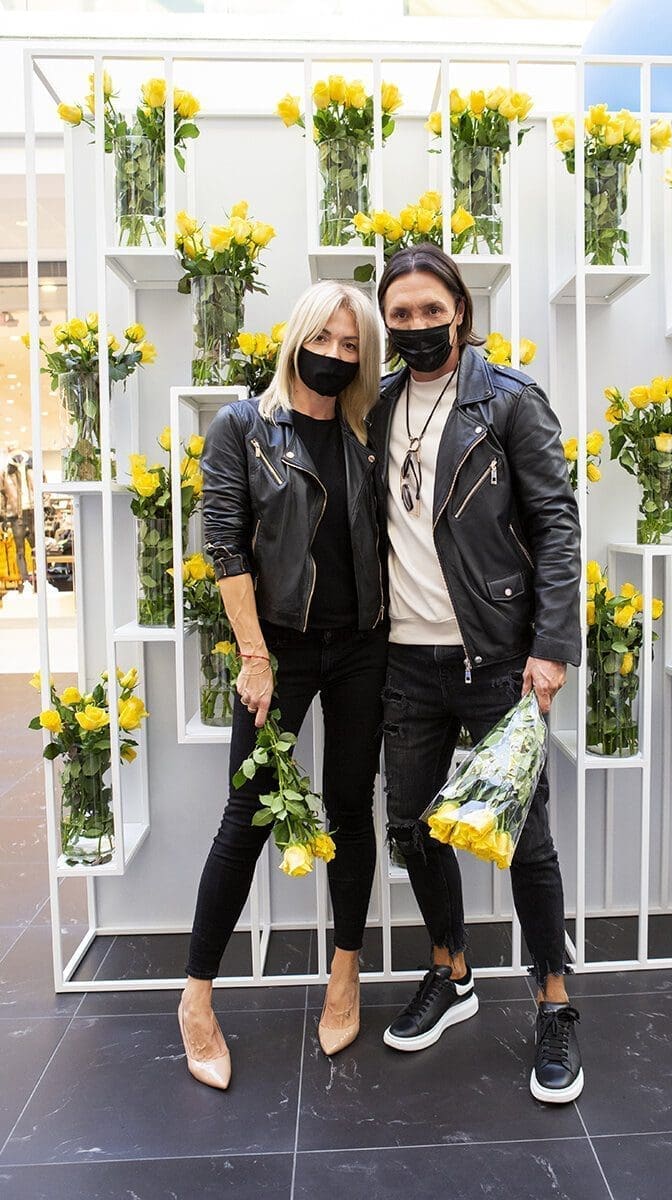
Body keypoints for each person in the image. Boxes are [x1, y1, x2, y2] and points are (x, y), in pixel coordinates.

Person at [369, 244, 584, 1104]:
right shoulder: (378, 406)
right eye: (402, 313)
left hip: (497, 658)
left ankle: (555, 1002)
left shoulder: (509, 399)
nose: (418, 325)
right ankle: (452, 970)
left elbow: (557, 524)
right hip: (405, 661)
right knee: (412, 827)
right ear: (386, 321)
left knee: (526, 841)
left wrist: (551, 645)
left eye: (432, 309)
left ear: (460, 309)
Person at [178, 280, 387, 1088]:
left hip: (363, 646)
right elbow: (225, 545)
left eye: (351, 345)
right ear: (296, 337)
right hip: (281, 649)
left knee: (351, 809)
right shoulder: (243, 427)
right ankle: (196, 998)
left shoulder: (368, 430)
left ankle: (345, 973)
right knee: (247, 816)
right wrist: (255, 657)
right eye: (324, 338)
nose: (335, 354)